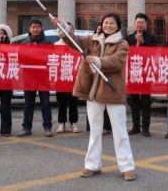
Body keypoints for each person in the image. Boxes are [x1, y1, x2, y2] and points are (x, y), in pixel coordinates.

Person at [52, 13, 136, 181]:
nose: (108, 25)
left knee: (119, 132)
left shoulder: (122, 43)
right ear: (102, 24)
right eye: (106, 23)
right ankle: (92, 164)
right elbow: (73, 40)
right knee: (95, 131)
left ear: (118, 26)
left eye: (112, 23)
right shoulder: (92, 40)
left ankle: (127, 166)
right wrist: (63, 27)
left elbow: (117, 62)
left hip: (113, 92)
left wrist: (97, 61)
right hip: (93, 91)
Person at [18, 19, 54, 137]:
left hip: (43, 78)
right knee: (28, 104)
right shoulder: (24, 43)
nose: (35, 29)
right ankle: (26, 127)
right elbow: (20, 59)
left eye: (37, 27)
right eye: (33, 27)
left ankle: (48, 127)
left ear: (41, 28)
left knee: (45, 103)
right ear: (29, 28)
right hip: (28, 78)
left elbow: (50, 58)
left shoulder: (48, 43)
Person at [125, 13, 157, 137]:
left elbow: (153, 54)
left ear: (146, 25)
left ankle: (145, 127)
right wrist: (136, 45)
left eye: (142, 22)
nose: (140, 24)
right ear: (134, 24)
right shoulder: (128, 38)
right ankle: (135, 126)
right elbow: (125, 54)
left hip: (145, 73)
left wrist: (143, 44)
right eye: (138, 22)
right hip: (133, 73)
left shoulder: (151, 38)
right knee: (133, 101)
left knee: (145, 102)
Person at [55, 22, 79, 134]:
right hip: (61, 79)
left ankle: (73, 123)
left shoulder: (78, 45)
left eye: (70, 29)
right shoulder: (56, 45)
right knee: (61, 103)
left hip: (74, 78)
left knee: (73, 102)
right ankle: (61, 123)